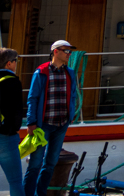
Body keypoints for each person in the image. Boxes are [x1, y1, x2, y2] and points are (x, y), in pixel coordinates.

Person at [24, 40, 78, 196]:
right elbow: (32, 98)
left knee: (51, 163)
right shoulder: (41, 72)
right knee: (35, 164)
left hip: (61, 124)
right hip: (43, 125)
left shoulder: (70, 73)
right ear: (56, 52)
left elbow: (73, 95)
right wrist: (31, 122)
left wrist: (71, 115)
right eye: (66, 51)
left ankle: (41, 193)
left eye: (70, 51)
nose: (69, 54)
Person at [0, 49, 25, 196]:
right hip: (6, 136)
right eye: (16, 61)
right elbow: (16, 111)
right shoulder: (12, 81)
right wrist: (15, 130)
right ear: (9, 63)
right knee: (15, 181)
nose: (16, 64)